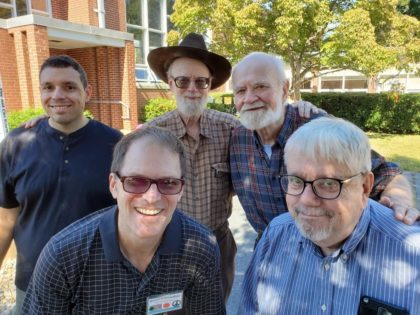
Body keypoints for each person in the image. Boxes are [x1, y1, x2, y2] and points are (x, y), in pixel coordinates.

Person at [22, 126, 225, 315]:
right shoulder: (63, 258)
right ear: (113, 185)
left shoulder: (201, 248)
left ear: (181, 190)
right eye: (136, 181)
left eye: (169, 183)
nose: (152, 197)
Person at [238, 117, 420, 314]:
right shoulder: (275, 235)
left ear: (365, 186)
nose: (306, 200)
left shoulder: (412, 254)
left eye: (328, 183)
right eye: (296, 181)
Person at [230, 52, 418, 242]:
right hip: (271, 249)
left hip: (331, 254)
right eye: (240, 91)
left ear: (284, 89)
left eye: (260, 86)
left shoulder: (318, 128)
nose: (249, 98)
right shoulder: (236, 139)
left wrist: (400, 203)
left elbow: (388, 173)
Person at [0, 55, 122, 314]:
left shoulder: (115, 145)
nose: (57, 95)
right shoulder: (16, 144)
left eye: (69, 86)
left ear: (87, 92)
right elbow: (5, 221)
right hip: (32, 284)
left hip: (98, 285)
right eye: (48, 87)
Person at [144, 33, 240, 300]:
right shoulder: (152, 135)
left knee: (214, 306)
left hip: (218, 242)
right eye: (183, 80)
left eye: (201, 81)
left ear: (210, 85)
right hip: (166, 244)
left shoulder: (231, 130)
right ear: (170, 84)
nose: (192, 88)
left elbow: (271, 137)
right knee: (169, 309)